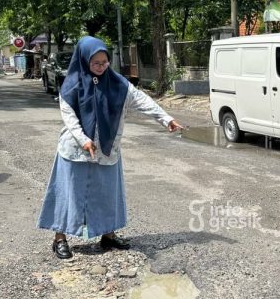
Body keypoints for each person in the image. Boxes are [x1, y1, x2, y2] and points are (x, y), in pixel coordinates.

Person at [37, 36, 184, 260]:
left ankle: (108, 235)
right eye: (96, 63)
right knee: (69, 194)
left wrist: (166, 119)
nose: (102, 67)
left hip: (107, 150)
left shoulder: (118, 84)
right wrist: (84, 140)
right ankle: (60, 239)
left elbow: (143, 100)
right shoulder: (70, 85)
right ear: (84, 60)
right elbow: (69, 118)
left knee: (107, 193)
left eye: (105, 62)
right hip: (75, 150)